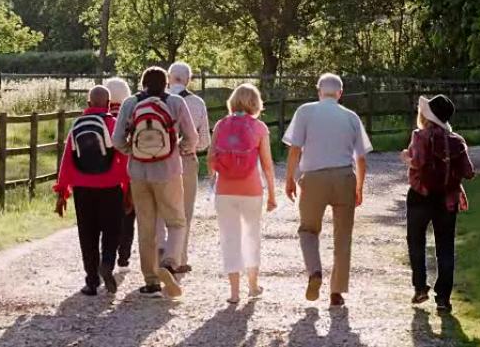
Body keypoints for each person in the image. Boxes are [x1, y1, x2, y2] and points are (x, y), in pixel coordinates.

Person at [283, 73, 372, 307]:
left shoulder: (305, 111)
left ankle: (315, 272)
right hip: (344, 177)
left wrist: (290, 179)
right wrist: (360, 186)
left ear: (318, 91)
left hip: (313, 179)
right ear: (340, 93)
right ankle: (337, 292)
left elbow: (294, 149)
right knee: (343, 236)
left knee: (308, 230)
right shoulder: (351, 117)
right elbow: (361, 158)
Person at [112, 66, 199, 298]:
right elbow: (193, 138)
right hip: (168, 171)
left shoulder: (131, 103)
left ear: (143, 83)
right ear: (166, 83)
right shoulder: (176, 103)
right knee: (177, 221)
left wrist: (133, 151)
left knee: (146, 226)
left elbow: (116, 139)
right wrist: (177, 151)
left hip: (138, 172)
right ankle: (169, 263)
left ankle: (150, 281)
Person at [400, 94, 475, 314]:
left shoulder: (419, 136)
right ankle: (443, 298)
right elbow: (469, 172)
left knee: (416, 242)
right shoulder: (457, 141)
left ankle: (420, 287)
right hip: (447, 199)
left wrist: (406, 158)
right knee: (445, 248)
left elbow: (418, 161)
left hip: (420, 195)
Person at [54, 85, 128, 296]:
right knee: (112, 230)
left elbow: (67, 160)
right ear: (108, 104)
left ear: (88, 104)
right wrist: (128, 185)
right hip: (110, 186)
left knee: (87, 233)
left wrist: (62, 192)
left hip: (82, 187)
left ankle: (91, 281)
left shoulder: (77, 125)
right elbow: (124, 157)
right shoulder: (113, 124)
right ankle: (107, 264)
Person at [208, 83, 277, 304]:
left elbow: (210, 157)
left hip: (225, 190)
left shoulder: (221, 124)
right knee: (251, 235)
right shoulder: (259, 127)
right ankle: (253, 286)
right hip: (251, 190)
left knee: (230, 238)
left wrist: (213, 181)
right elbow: (267, 165)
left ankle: (234, 292)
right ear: (255, 103)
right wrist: (273, 195)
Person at [155, 62, 211, 273]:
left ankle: (159, 252)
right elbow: (204, 141)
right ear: (188, 79)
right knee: (184, 210)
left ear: (169, 78)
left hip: (157, 161)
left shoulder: (155, 101)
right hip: (186, 160)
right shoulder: (197, 103)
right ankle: (179, 257)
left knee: (160, 208)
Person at [104, 77, 136, 268]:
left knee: (108, 217)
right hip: (128, 172)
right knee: (128, 216)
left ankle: (107, 253)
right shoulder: (130, 114)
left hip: (106, 173)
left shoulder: (103, 115)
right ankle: (124, 254)